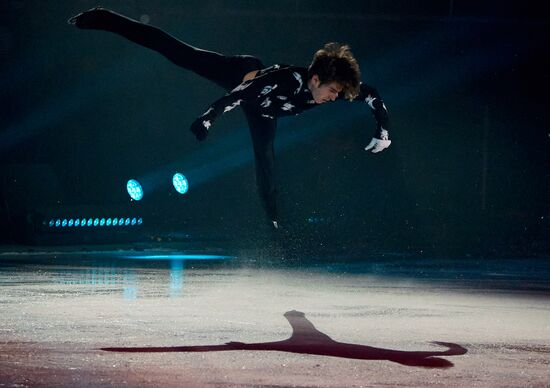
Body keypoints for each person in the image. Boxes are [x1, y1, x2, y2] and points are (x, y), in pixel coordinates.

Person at [68, 8, 391, 229]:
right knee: (179, 53)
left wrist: (383, 130)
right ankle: (104, 17)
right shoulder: (283, 79)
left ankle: (274, 225)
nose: (334, 98)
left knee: (266, 161)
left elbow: (371, 93)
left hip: (265, 110)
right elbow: (240, 94)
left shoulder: (322, 88)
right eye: (333, 91)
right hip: (240, 78)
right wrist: (209, 117)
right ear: (316, 79)